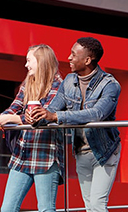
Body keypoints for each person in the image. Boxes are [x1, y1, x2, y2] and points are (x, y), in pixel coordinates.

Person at [29, 37, 121, 212]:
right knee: (89, 205)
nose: (68, 58)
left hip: (105, 151)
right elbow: (53, 109)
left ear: (87, 60)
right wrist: (37, 117)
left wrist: (55, 116)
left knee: (97, 204)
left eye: (73, 54)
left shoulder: (110, 85)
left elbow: (96, 114)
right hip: (81, 152)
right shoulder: (69, 81)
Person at [0, 44, 64, 212]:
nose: (26, 65)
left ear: (41, 61)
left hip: (46, 155)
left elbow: (41, 117)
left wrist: (11, 118)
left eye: (29, 60)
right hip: (22, 153)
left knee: (45, 208)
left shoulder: (59, 86)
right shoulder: (28, 83)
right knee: (8, 208)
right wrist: (0, 117)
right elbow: (13, 107)